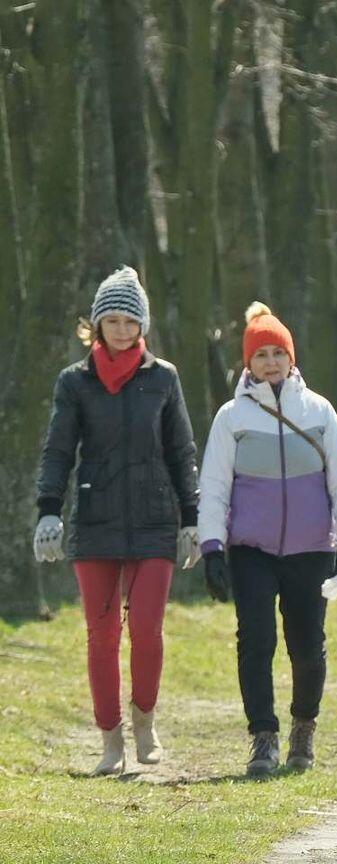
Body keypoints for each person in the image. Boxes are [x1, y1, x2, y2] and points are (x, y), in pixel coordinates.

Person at [34, 266, 200, 776]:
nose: (122, 330)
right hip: (95, 522)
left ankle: (144, 719)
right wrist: (48, 510)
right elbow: (58, 450)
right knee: (102, 635)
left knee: (147, 629)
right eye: (113, 320)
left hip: (154, 520)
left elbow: (182, 451)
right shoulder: (75, 382)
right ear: (97, 325)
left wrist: (191, 518)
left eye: (131, 321)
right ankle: (110, 739)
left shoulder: (163, 378)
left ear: (143, 324)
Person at [199, 302, 337, 777]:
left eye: (278, 353)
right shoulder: (231, 418)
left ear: (292, 358)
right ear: (247, 363)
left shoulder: (319, 411)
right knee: (257, 640)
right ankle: (263, 737)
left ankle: (303, 728)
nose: (270, 362)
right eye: (261, 354)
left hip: (311, 548)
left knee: (307, 645)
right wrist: (212, 549)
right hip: (251, 550)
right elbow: (214, 487)